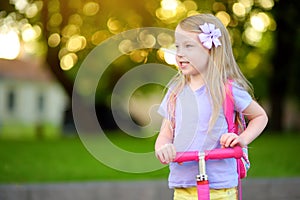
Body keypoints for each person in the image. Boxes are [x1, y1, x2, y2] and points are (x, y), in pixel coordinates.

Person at [155, 13, 268, 200]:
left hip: (220, 188)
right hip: (183, 187)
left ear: (210, 50)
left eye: (188, 46)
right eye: (177, 47)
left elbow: (260, 116)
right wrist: (163, 147)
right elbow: (165, 133)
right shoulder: (175, 92)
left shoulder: (228, 90)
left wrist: (242, 139)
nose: (180, 53)